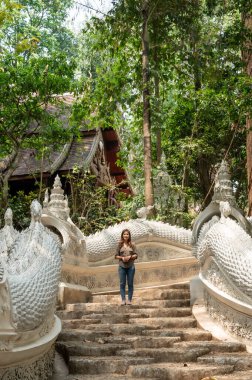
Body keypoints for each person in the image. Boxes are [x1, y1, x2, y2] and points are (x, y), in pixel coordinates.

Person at [115, 229, 138, 305]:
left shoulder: (132, 244)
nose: (126, 235)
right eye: (124, 234)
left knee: (130, 283)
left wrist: (130, 257)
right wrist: (122, 258)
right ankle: (123, 300)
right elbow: (116, 256)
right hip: (122, 266)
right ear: (122, 235)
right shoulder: (119, 244)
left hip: (131, 267)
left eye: (127, 234)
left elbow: (136, 255)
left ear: (129, 235)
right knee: (122, 283)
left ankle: (129, 300)